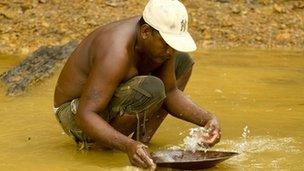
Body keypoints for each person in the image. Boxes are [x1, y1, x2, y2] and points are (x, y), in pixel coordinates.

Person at [53, 0, 221, 169]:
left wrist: (208, 120)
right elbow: (86, 114)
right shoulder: (116, 51)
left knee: (182, 62)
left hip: (99, 104)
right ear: (146, 32)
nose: (170, 51)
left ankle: (142, 144)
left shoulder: (160, 45)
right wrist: (127, 146)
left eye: (173, 45)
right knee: (152, 87)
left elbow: (169, 92)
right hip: (74, 113)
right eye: (166, 44)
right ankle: (102, 146)